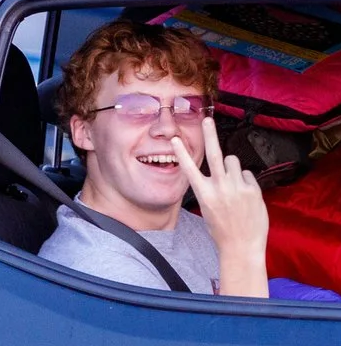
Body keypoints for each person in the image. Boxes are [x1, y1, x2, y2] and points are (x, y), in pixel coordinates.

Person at [38, 21, 271, 297]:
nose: (168, 127)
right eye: (137, 107)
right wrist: (242, 253)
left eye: (187, 107)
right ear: (84, 132)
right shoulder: (100, 277)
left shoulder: (204, 226)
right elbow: (238, 342)